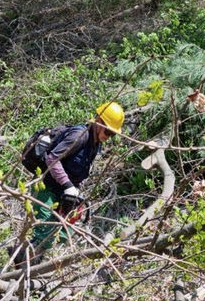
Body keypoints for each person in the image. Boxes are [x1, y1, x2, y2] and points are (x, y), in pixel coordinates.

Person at [11, 101, 125, 267]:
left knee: (61, 233)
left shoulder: (94, 144)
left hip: (63, 194)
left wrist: (75, 192)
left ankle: (23, 263)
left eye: (112, 134)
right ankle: (20, 271)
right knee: (44, 234)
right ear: (98, 121)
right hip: (47, 189)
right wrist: (68, 186)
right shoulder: (80, 135)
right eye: (108, 131)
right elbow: (52, 158)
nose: (108, 137)